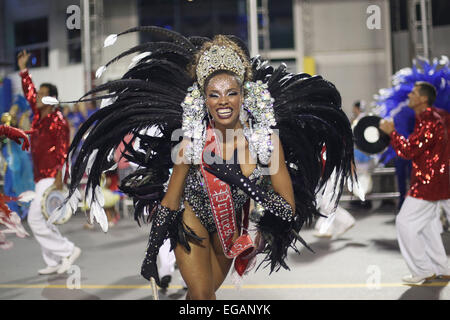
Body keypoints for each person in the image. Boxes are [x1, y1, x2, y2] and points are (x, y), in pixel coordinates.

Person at [57, 28, 354, 300]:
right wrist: (151, 254)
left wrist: (245, 183)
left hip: (230, 231)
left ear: (243, 96)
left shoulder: (265, 142)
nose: (223, 101)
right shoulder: (192, 142)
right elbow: (171, 202)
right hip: (192, 224)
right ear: (205, 101)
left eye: (231, 93)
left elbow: (287, 209)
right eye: (214, 94)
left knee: (204, 297)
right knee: (201, 297)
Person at [17, 50, 81, 275]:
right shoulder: (38, 116)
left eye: (42, 94)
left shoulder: (58, 120)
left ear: (51, 99)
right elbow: (29, 92)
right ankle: (54, 261)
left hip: (51, 176)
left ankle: (68, 250)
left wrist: (59, 178)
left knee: (35, 219)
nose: (36, 97)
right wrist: (24, 71)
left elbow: (64, 152)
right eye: (38, 94)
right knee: (47, 220)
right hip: (39, 176)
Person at [380, 81, 450, 284]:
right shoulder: (436, 117)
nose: (409, 95)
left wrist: (391, 132)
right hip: (437, 181)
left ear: (423, 99)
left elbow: (408, 150)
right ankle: (442, 268)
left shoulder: (430, 120)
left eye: (413, 93)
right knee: (427, 225)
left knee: (404, 223)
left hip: (428, 183)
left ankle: (422, 270)